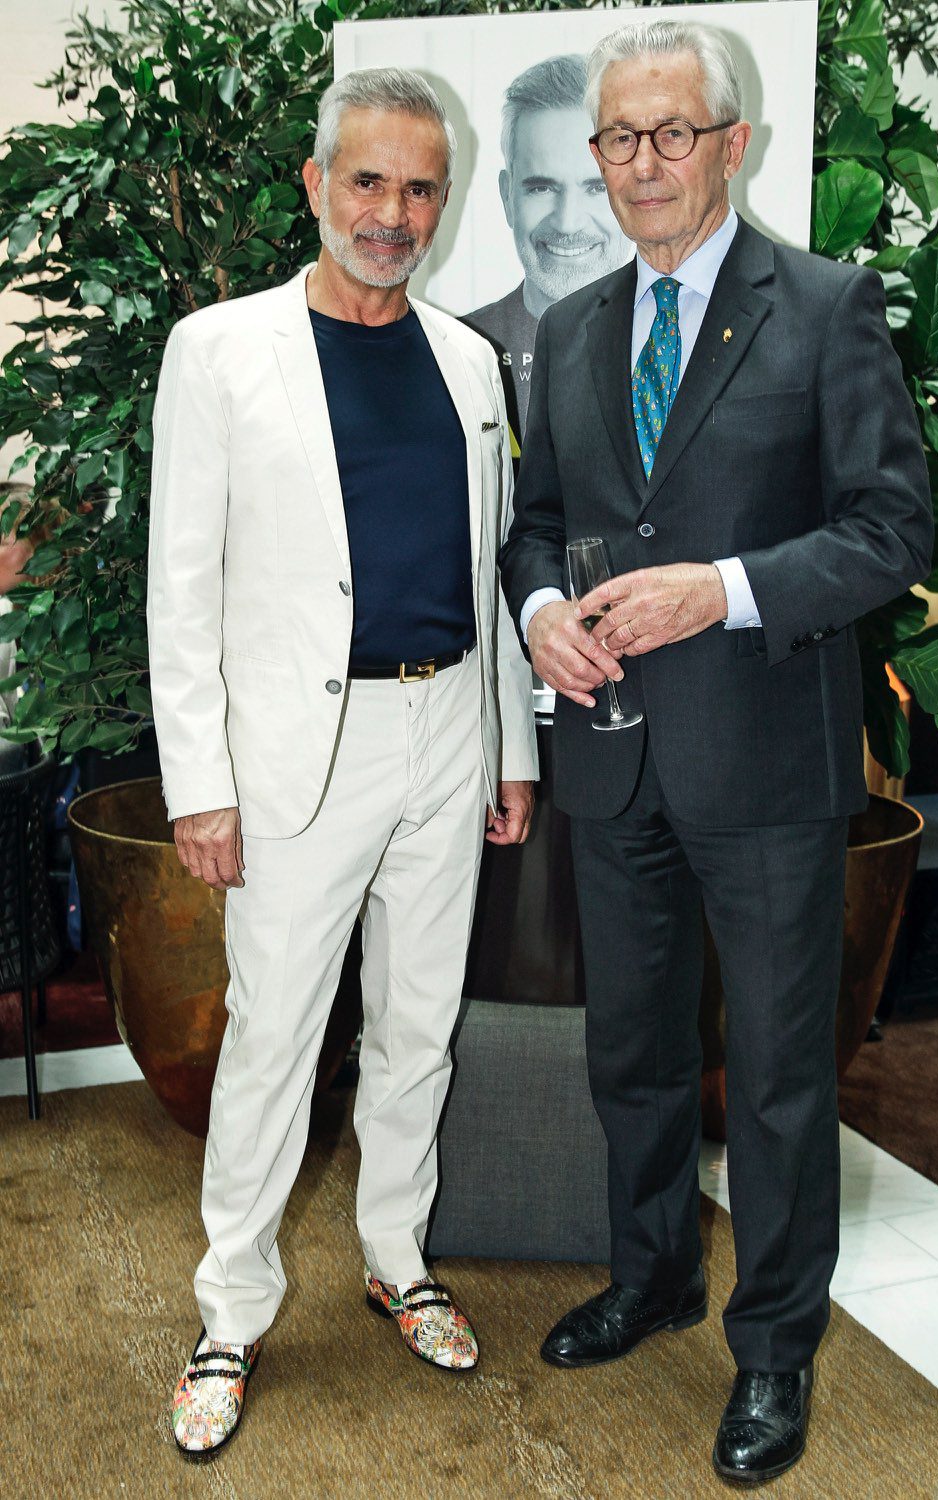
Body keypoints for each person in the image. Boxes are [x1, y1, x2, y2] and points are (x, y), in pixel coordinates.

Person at [500, 19, 932, 1488]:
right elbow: (538, 527)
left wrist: (726, 590)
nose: (642, 164)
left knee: (779, 1077)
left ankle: (773, 1349)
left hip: (764, 766)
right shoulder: (571, 328)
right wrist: (543, 614)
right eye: (619, 137)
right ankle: (652, 1277)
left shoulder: (824, 306)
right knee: (629, 1048)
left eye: (671, 133)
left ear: (731, 144)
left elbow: (893, 528)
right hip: (612, 754)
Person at [148, 66, 537, 1460]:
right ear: (317, 184)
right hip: (295, 757)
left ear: (445, 201)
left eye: (420, 189)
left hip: (447, 735)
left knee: (421, 1023)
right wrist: (200, 784)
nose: (392, 213)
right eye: (367, 181)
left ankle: (396, 1256)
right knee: (276, 1038)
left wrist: (509, 746)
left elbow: (489, 575)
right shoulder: (219, 350)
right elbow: (179, 586)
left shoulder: (468, 361)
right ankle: (230, 1313)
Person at [466, 54, 631, 437]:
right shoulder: (460, 353)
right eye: (541, 188)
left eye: (597, 187)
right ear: (507, 198)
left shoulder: (681, 343)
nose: (568, 222)